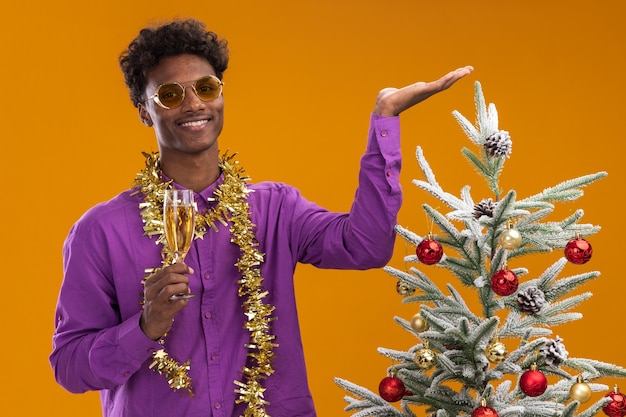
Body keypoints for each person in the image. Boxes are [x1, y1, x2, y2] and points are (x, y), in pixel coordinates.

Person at [49, 18, 472, 417]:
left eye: (206, 87)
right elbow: (69, 367)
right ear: (145, 111)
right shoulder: (100, 232)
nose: (194, 103)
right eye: (171, 94)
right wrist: (146, 326)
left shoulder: (275, 209)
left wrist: (385, 119)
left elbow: (365, 246)